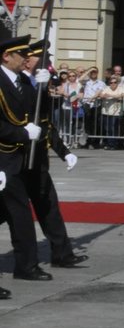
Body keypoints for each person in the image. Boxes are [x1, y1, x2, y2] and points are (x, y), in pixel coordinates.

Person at [17, 39, 86, 267]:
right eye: (42, 59)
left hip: (37, 159)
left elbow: (45, 123)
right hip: (16, 158)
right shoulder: (18, 83)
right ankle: (28, 262)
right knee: (10, 212)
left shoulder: (39, 84)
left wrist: (64, 152)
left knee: (49, 207)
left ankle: (62, 253)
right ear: (28, 61)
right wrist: (36, 88)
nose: (47, 65)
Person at [0, 33, 51, 292]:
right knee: (18, 212)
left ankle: (27, 265)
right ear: (6, 56)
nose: (27, 59)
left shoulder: (22, 80)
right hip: (3, 157)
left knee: (19, 213)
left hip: (17, 159)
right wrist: (21, 133)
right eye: (22, 55)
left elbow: (40, 112)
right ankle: (27, 265)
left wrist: (41, 87)